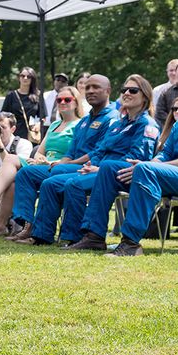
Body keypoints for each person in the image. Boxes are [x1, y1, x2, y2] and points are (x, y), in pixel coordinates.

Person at [67, 64, 178, 256]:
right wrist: (154, 163)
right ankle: (94, 236)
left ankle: (131, 243)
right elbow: (165, 152)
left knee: (145, 170)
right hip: (176, 175)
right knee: (108, 168)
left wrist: (150, 166)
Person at [24, 75, 159, 246]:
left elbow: (136, 159)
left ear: (145, 96)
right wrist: (91, 164)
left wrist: (99, 168)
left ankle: (79, 237)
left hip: (121, 175)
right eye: (124, 90)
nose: (126, 93)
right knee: (51, 183)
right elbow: (100, 150)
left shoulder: (146, 124)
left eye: (133, 90)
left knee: (74, 184)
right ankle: (42, 236)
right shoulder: (118, 124)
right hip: (99, 170)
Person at [7, 75, 119, 242]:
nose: (90, 91)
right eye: (87, 88)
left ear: (108, 91)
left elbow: (98, 152)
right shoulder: (85, 121)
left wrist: (64, 164)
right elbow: (70, 151)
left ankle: (50, 233)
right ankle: (30, 226)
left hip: (92, 168)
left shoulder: (112, 118)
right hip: (71, 166)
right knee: (27, 173)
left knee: (52, 179)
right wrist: (61, 161)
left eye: (96, 87)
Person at [0, 86, 82, 237]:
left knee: (14, 166)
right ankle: (0, 223)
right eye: (59, 99)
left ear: (76, 102)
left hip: (60, 166)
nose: (62, 102)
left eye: (67, 99)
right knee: (12, 173)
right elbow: (40, 150)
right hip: (42, 164)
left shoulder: (80, 124)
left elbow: (76, 153)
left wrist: (54, 162)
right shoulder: (54, 125)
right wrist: (40, 158)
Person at [0, 112, 34, 203]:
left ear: (13, 129)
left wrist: (0, 147)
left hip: (13, 182)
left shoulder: (24, 144)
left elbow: (18, 168)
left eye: (3, 127)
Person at [4, 67, 40, 142]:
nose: (25, 78)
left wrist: (38, 125)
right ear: (19, 78)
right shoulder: (11, 95)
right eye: (22, 76)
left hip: (32, 135)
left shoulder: (38, 96)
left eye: (28, 76)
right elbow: (3, 115)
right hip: (14, 134)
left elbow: (43, 116)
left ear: (32, 79)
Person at [153, 59, 178, 126]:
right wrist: (174, 123)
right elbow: (159, 113)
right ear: (176, 72)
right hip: (171, 130)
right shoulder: (166, 92)